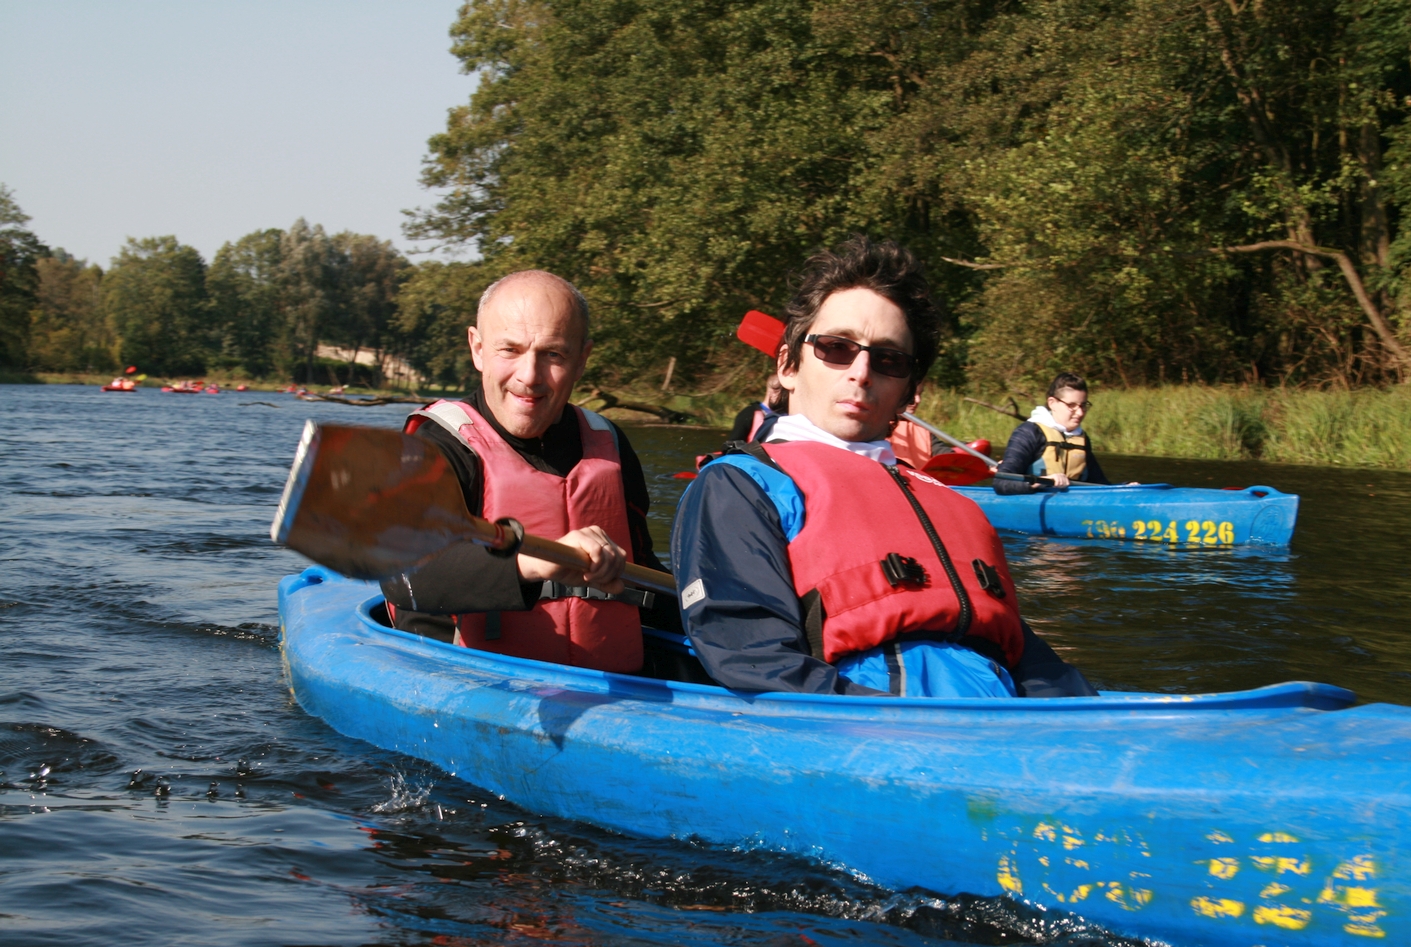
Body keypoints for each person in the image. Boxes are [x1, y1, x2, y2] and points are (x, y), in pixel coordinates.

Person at [671, 237, 1096, 698]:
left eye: (889, 359)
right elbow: (756, 660)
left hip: (997, 722)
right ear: (789, 366)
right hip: (866, 723)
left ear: (909, 393)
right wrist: (915, 726)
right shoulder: (740, 486)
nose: (861, 372)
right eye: (836, 347)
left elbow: (1038, 670)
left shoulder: (953, 504)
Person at [380, 270, 677, 673]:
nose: (529, 377)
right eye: (510, 350)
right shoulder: (436, 445)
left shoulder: (609, 444)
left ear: (582, 359)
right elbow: (402, 576)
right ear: (478, 348)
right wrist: (532, 564)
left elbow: (644, 571)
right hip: (469, 679)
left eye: (553, 354)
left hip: (611, 684)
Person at [993, 373, 1113, 495]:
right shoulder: (1029, 432)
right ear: (1052, 403)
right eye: (1071, 405)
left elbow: (1101, 484)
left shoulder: (1081, 437)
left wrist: (1123, 488)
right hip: (1033, 498)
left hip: (1073, 500)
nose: (1080, 413)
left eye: (1083, 405)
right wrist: (1040, 482)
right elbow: (1001, 483)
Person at [885, 383, 954, 468]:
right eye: (911, 394)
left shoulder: (922, 427)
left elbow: (943, 452)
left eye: (920, 394)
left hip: (918, 476)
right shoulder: (875, 426)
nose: (918, 400)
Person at [729, 373, 784, 442]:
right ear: (774, 392)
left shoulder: (787, 416)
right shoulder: (748, 414)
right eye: (784, 394)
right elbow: (733, 443)